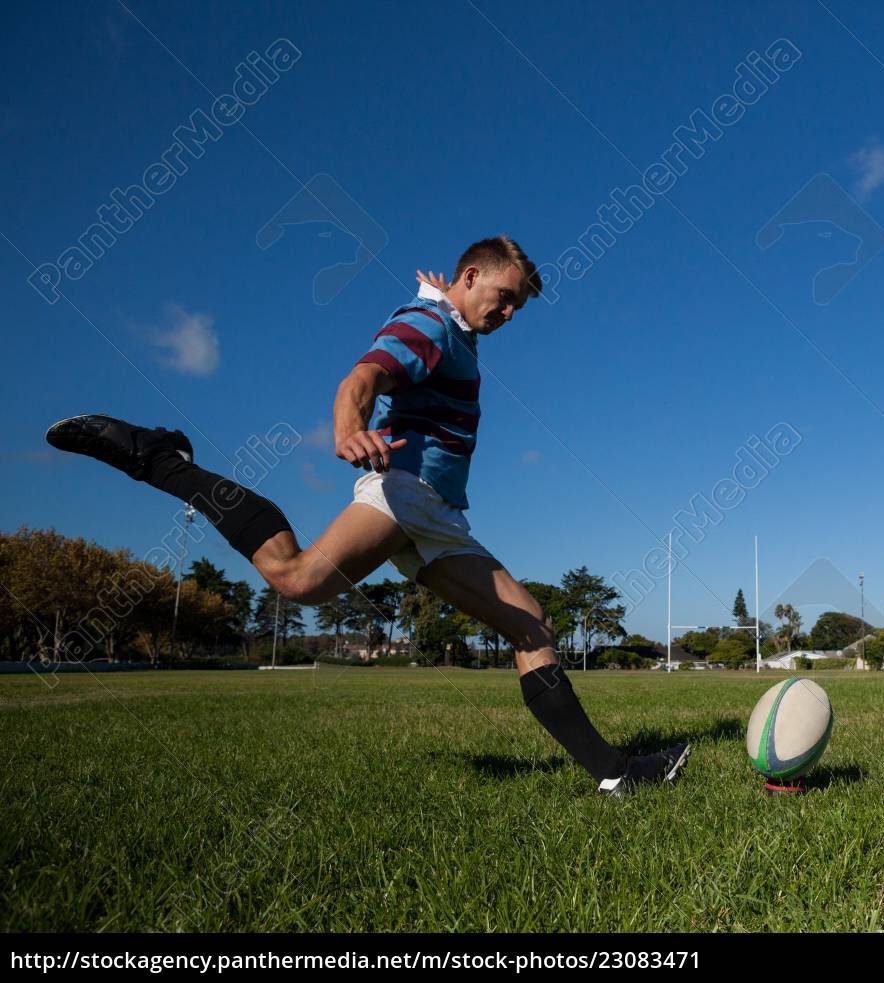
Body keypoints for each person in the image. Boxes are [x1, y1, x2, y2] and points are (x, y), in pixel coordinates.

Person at [46, 235, 688, 797]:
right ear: (470, 277)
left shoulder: (448, 320)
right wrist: (349, 423)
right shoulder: (430, 325)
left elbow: (438, 318)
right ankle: (159, 459)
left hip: (439, 514)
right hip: (405, 492)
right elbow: (367, 372)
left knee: (530, 624)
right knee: (296, 579)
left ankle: (613, 774)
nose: (510, 311)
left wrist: (443, 301)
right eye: (504, 295)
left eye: (517, 303)